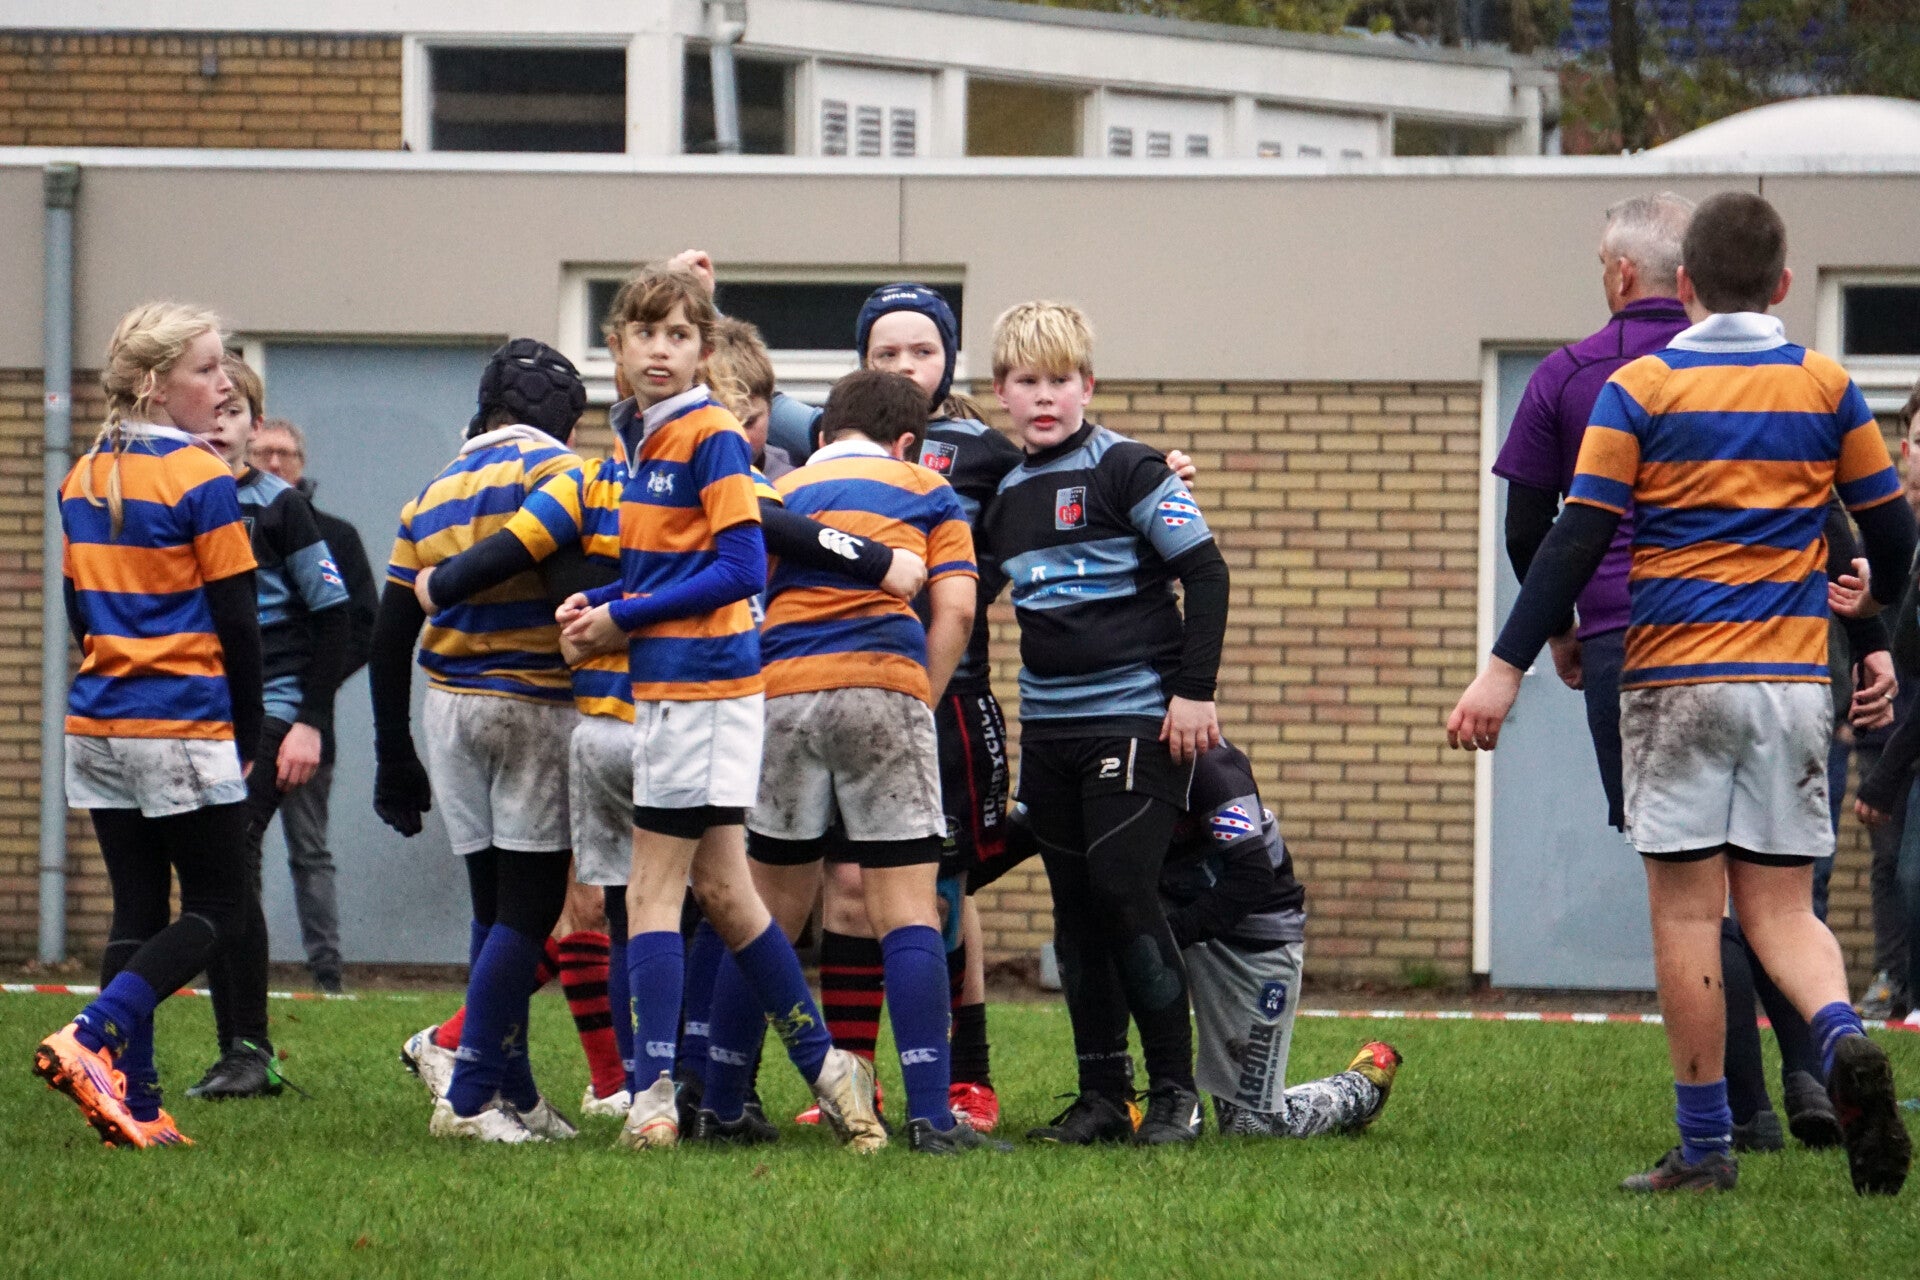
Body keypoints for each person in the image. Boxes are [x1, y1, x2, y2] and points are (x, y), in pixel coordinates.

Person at [1449, 191, 1916, 1195]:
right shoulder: (1828, 386)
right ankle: (1840, 1038)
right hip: (1792, 681)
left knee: (1689, 915)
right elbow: (1887, 529)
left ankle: (1706, 1146)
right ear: (1784, 283)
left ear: (1689, 283)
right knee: (1782, 908)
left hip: (1675, 678)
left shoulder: (1640, 387)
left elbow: (1575, 535)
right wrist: (1875, 614)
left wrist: (1506, 664)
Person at [557, 263, 884, 1152]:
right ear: (616, 348)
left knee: (651, 891)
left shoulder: (707, 433)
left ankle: (653, 1098)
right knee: (728, 896)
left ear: (704, 351)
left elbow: (741, 570)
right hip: (681, 689)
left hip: (705, 690)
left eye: (678, 335)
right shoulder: (644, 433)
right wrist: (602, 607)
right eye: (644, 333)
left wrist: (621, 619)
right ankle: (831, 1069)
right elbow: (667, 571)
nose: (660, 350)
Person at [976, 300, 1231, 1145]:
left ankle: (1175, 1096)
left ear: (1087, 386)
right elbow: (965, 598)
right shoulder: (1002, 497)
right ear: (1002, 392)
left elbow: (1208, 574)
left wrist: (1194, 693)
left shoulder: (1131, 467)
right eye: (1027, 381)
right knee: (1075, 911)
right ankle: (1102, 1100)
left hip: (1138, 719)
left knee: (1124, 892)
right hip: (1048, 732)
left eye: (1061, 380)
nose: (1045, 396)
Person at [741, 368, 1006, 1155]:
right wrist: (918, 695)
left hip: (783, 694)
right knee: (908, 907)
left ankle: (720, 1098)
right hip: (884, 689)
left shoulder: (782, 491)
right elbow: (958, 609)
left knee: (763, 912)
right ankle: (929, 1114)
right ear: (908, 441)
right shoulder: (929, 488)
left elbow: (750, 596)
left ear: (822, 435)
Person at [33, 303, 262, 1149]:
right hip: (181, 719)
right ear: (155, 385)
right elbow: (238, 621)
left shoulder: (82, 474)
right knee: (220, 906)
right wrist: (248, 730)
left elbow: (78, 609)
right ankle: (91, 1035)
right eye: (207, 368)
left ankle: (133, 1100)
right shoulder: (201, 477)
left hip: (98, 719)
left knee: (135, 906)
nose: (224, 383)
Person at [370, 338, 586, 1143]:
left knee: (491, 906)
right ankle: (466, 1099)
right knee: (529, 911)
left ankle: (512, 1090)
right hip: (533, 703)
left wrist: (393, 756)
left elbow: (390, 635)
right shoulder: (561, 474)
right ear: (568, 421)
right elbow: (574, 601)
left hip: (449, 709)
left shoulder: (432, 491)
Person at [180, 357, 350, 1100]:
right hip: (196, 709)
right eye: (212, 411)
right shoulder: (177, 497)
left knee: (234, 851)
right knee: (216, 872)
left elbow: (337, 619)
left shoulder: (280, 509)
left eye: (236, 413)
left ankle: (248, 1050)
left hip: (274, 708)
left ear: (255, 426)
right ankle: (239, 1051)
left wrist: (311, 723)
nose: (221, 425)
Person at [251, 418, 377, 995]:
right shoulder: (231, 526)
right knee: (237, 847)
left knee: (309, 849)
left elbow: (362, 625)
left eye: (286, 453)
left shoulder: (337, 537)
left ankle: (327, 971)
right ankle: (232, 960)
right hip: (241, 717)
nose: (275, 463)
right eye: (264, 453)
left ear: (302, 463)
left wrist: (313, 695)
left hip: (308, 721)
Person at [1854, 385, 1920, 1022]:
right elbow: (1851, 621)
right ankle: (1892, 979)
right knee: (1889, 862)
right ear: (1904, 450)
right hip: (1887, 722)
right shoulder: (1883, 535)